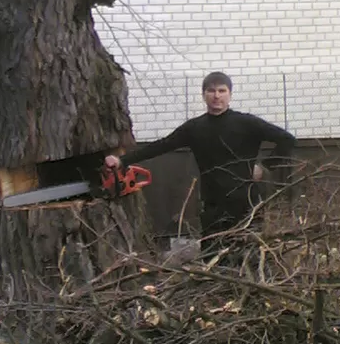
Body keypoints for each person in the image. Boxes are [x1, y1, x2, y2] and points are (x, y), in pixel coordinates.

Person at [105, 72, 295, 249]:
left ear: (230, 94)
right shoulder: (195, 128)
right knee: (213, 255)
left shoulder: (247, 123)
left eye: (222, 91)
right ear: (203, 95)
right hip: (212, 204)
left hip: (246, 203)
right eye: (211, 91)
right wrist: (123, 161)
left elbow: (287, 140)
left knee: (248, 254)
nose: (216, 96)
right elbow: (161, 145)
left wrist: (263, 167)